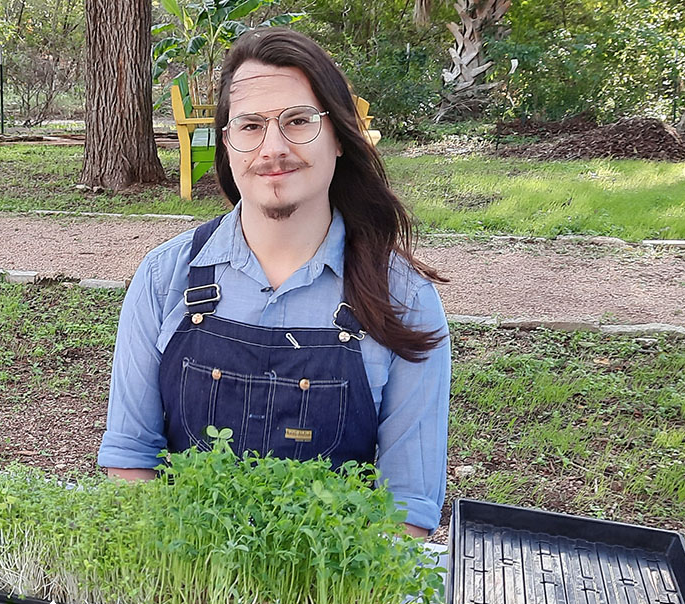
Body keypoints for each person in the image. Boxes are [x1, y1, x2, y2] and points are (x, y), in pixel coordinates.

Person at [98, 28, 450, 537]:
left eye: (298, 121)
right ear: (226, 144)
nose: (273, 149)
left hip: (329, 602)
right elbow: (131, 461)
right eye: (250, 126)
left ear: (340, 136)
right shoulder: (163, 278)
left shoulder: (406, 300)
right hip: (179, 587)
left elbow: (406, 510)